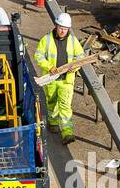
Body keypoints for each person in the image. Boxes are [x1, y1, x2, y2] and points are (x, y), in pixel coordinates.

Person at [34, 13, 85, 144]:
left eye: (65, 28)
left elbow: (80, 57)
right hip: (51, 79)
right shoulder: (47, 40)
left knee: (65, 106)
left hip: (66, 81)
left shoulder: (73, 41)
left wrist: (75, 67)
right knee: (51, 103)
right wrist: (49, 66)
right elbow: (38, 56)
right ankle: (53, 122)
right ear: (56, 26)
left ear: (68, 29)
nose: (62, 31)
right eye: (61, 27)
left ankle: (67, 132)